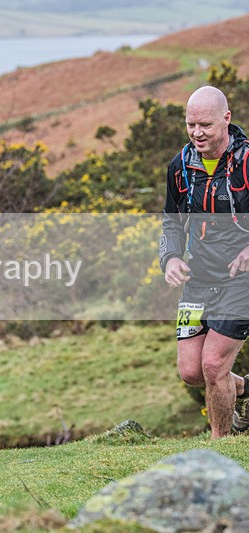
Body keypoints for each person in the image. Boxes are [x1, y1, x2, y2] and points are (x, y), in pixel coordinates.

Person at [160, 85, 249, 438]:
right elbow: (171, 220)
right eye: (191, 125)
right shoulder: (180, 167)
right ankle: (243, 391)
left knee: (213, 365)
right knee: (192, 372)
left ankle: (220, 446)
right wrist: (169, 258)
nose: (197, 133)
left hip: (241, 279)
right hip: (199, 278)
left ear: (226, 119)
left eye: (206, 125)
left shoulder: (246, 162)